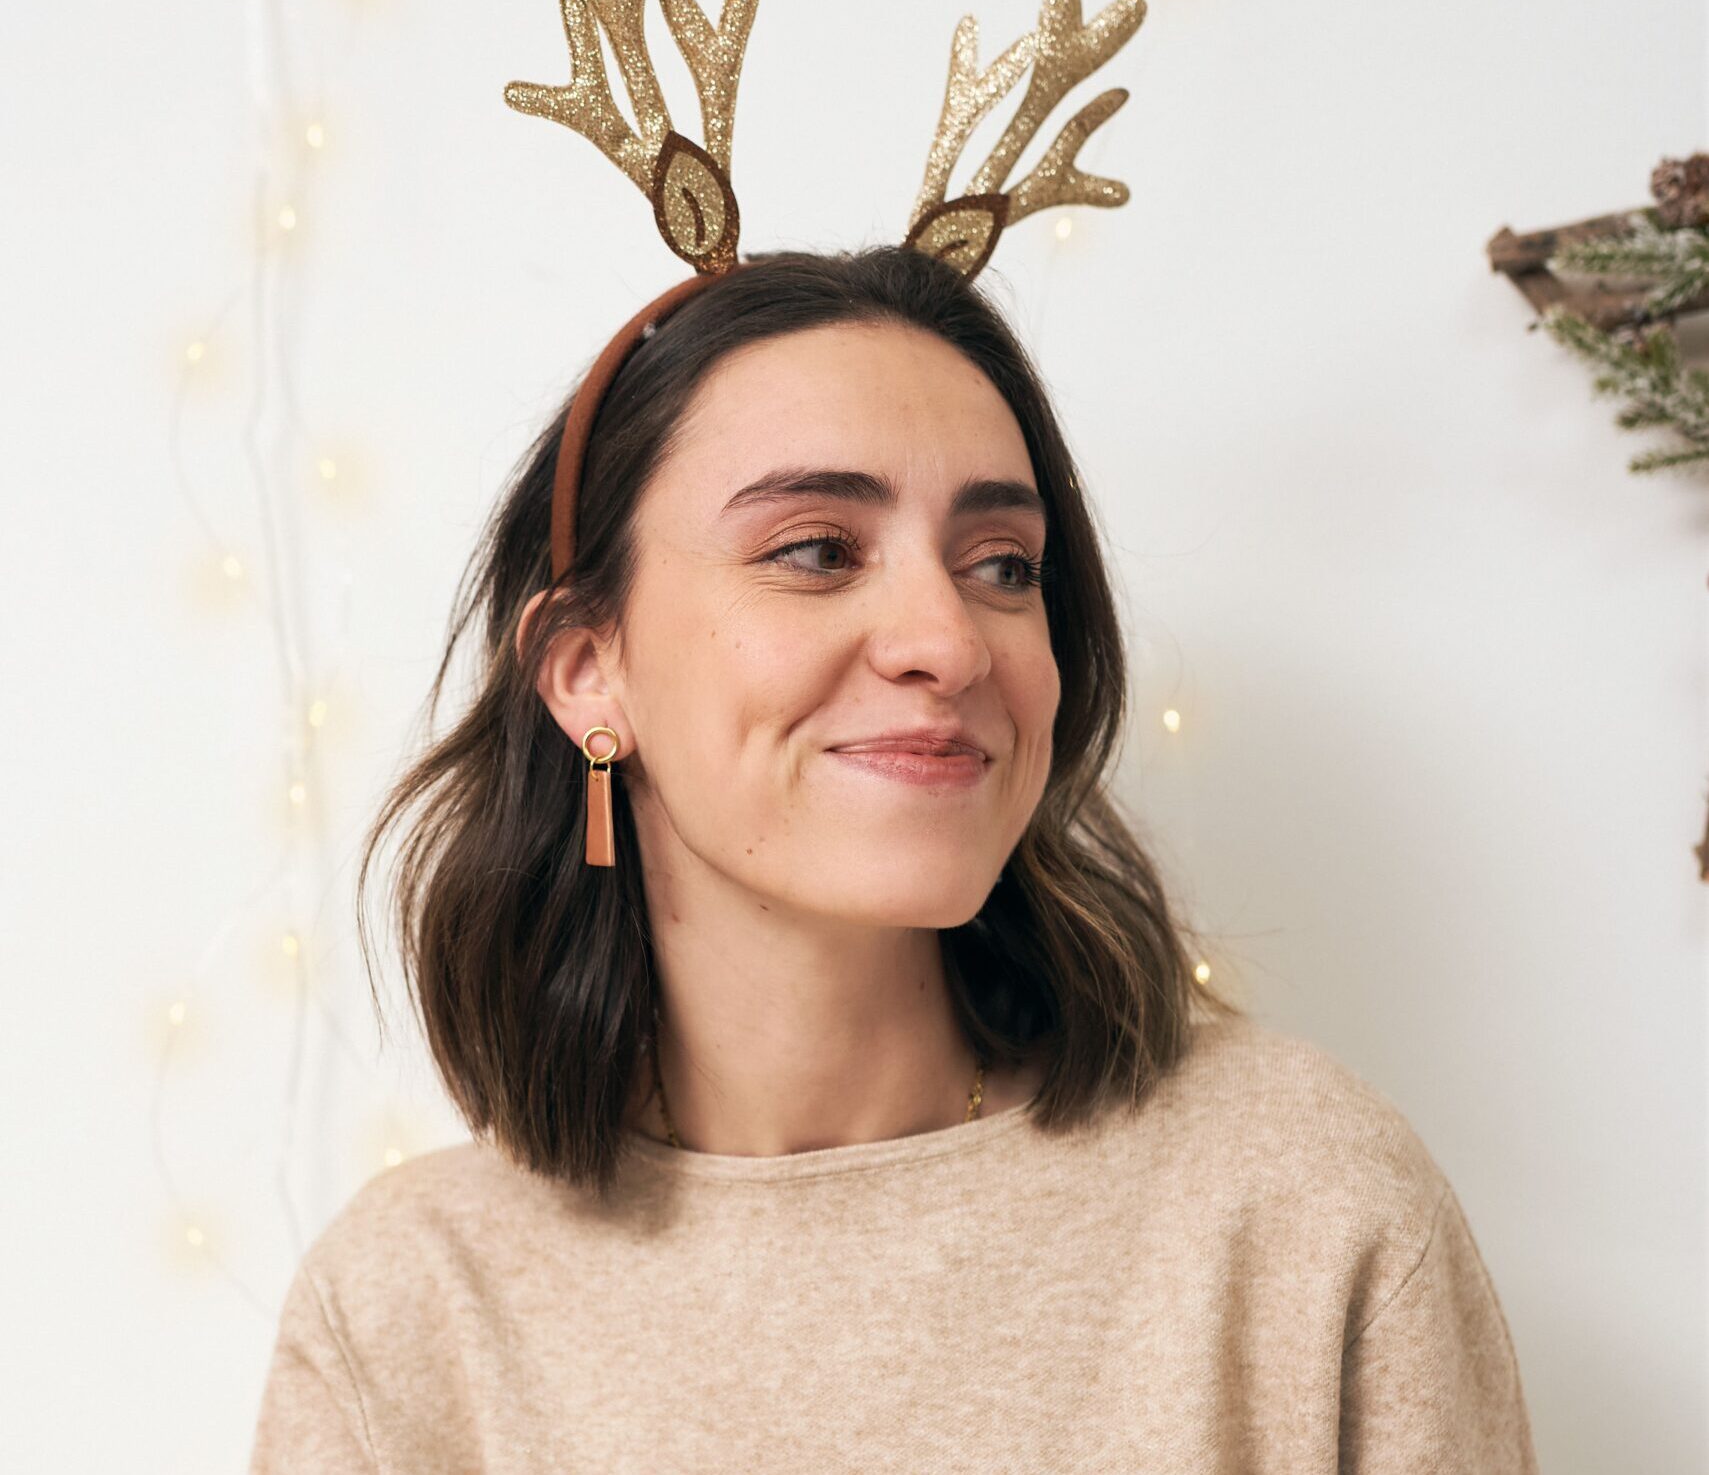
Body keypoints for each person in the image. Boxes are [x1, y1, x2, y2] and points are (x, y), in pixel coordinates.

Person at [247, 245, 1541, 1472]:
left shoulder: (1297, 1197)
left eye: (1002, 566)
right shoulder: (410, 1310)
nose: (949, 640)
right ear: (589, 671)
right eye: (816, 551)